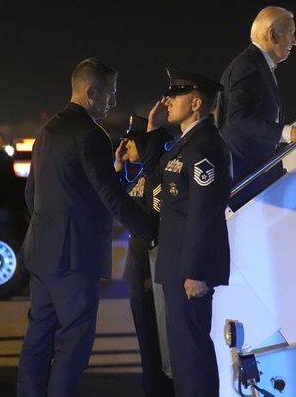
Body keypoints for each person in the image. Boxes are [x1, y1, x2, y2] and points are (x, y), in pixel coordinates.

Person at [17, 58, 157, 397]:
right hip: (74, 259)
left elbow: (31, 193)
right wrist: (151, 230)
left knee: (37, 341)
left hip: (41, 252)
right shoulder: (91, 135)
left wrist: (118, 170)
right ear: (91, 92)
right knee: (74, 345)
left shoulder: (49, 130)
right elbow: (110, 197)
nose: (113, 99)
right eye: (110, 93)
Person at [153, 68, 232, 397]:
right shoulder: (186, 144)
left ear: (196, 102)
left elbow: (204, 212)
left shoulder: (205, 147)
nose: (168, 101)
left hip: (189, 270)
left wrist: (196, 271)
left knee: (192, 354)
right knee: (183, 355)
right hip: (176, 265)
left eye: (176, 95)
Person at [217, 6, 296, 209]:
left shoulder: (256, 64)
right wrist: (287, 132)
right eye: (291, 34)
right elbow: (237, 120)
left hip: (259, 180)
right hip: (250, 184)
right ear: (273, 34)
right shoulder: (248, 66)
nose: (294, 42)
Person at [114, 111, 174, 397]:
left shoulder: (158, 174)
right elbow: (123, 199)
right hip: (137, 273)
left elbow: (156, 223)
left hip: (151, 275)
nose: (125, 147)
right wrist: (117, 167)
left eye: (130, 142)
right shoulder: (140, 174)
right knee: (147, 349)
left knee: (160, 349)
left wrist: (152, 273)